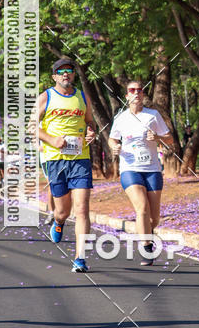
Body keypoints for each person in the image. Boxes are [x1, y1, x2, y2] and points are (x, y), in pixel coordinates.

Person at [31, 57, 96, 272]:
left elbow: (90, 122)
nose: (65, 74)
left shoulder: (82, 97)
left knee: (82, 208)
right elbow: (31, 126)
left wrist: (91, 131)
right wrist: (51, 139)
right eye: (60, 71)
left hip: (80, 158)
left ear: (74, 74)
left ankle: (80, 258)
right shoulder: (46, 97)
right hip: (55, 160)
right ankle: (58, 222)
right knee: (63, 211)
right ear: (54, 76)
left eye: (69, 70)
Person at [108, 80, 173, 267]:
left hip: (152, 169)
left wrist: (158, 137)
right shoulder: (121, 118)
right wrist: (115, 147)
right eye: (132, 90)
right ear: (127, 96)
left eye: (139, 90)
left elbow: (170, 140)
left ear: (143, 94)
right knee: (142, 207)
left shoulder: (153, 115)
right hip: (129, 168)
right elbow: (112, 139)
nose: (136, 93)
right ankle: (146, 247)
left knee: (154, 218)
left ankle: (145, 232)